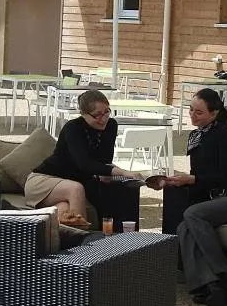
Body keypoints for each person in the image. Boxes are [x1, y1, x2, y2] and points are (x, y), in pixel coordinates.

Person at [154, 88, 227, 306]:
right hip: (217, 199)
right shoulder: (195, 136)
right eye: (191, 110)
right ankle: (208, 286)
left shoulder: (223, 134)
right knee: (184, 227)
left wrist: (191, 179)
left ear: (213, 113)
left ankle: (224, 274)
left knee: (193, 213)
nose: (193, 115)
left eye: (199, 112)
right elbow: (201, 179)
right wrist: (175, 182)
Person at [24, 89, 140, 235]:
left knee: (67, 215)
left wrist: (109, 173)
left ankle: (64, 249)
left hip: (64, 188)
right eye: (97, 115)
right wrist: (122, 171)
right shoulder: (73, 129)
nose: (103, 118)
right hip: (43, 181)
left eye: (106, 112)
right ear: (83, 114)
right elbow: (84, 165)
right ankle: (84, 244)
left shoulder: (111, 126)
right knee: (75, 189)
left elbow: (104, 161)